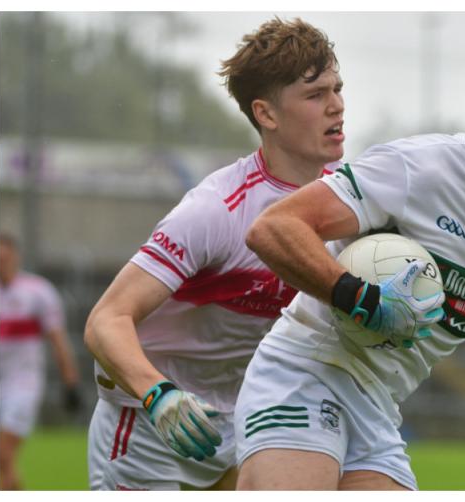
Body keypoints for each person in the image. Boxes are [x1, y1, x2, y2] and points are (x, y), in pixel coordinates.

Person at [235, 57, 465, 490]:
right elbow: (274, 228)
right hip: (306, 374)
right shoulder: (416, 170)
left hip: (378, 406)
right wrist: (357, 297)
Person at [83, 17, 345, 490]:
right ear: (266, 114)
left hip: (250, 421)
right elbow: (107, 319)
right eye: (315, 95)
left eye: (337, 89)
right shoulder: (216, 209)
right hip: (153, 431)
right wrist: (158, 396)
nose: (337, 107)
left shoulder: (351, 196)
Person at [0, 233, 81, 490]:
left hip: (23, 384)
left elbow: (58, 340)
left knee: (1, 455)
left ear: (15, 256)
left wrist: (71, 383)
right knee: (4, 464)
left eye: (4, 257)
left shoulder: (38, 291)